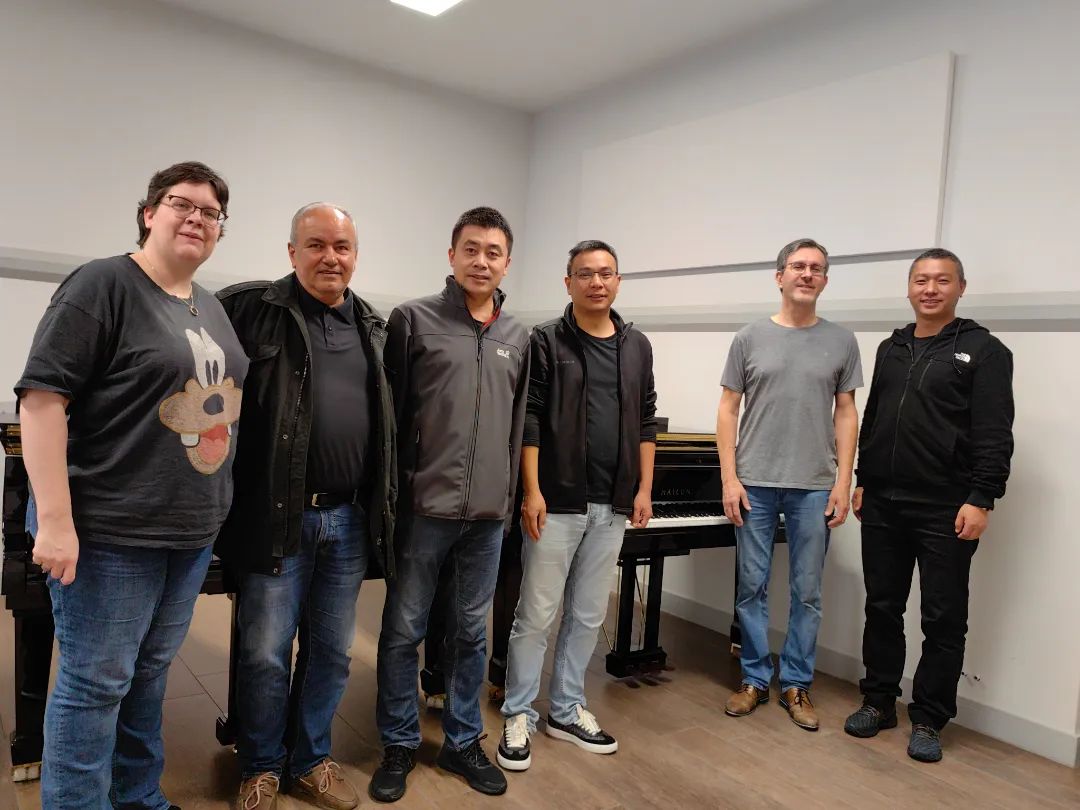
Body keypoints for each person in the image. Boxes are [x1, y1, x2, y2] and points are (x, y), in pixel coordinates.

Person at [16, 161, 246, 809]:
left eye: (211, 213)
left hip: (189, 532)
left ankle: (138, 795)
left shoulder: (209, 306)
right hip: (111, 532)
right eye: (182, 204)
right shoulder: (103, 284)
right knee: (96, 685)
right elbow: (42, 401)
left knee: (148, 675)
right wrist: (54, 522)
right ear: (149, 213)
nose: (197, 218)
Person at [216, 203, 396, 809]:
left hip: (348, 519)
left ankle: (311, 759)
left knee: (331, 653)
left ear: (355, 255)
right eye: (316, 245)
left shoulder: (374, 326)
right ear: (292, 252)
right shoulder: (248, 310)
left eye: (341, 246)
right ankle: (260, 766)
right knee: (265, 654)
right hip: (276, 515)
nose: (330, 257)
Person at [369, 207, 530, 803]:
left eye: (493, 252)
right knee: (402, 630)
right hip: (423, 509)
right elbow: (391, 416)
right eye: (471, 249)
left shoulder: (520, 337)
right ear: (452, 255)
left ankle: (463, 741)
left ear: (507, 263)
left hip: (486, 517)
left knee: (469, 634)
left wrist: (508, 499)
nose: (481, 261)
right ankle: (399, 742)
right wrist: (397, 493)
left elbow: (517, 425)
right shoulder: (413, 320)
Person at [844, 248, 1013, 763]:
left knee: (942, 618)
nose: (931, 289)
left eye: (942, 280)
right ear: (909, 288)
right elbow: (874, 418)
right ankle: (878, 701)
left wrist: (982, 497)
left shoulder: (985, 351)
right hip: (883, 503)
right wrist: (863, 480)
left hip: (946, 507)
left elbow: (994, 432)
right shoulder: (891, 348)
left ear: (961, 288)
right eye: (921, 280)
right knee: (882, 607)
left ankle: (929, 718)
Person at [497, 240, 656, 772]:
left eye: (606, 273)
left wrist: (643, 489)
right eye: (585, 273)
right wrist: (532, 491)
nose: (597, 282)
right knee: (535, 615)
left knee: (588, 615)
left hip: (614, 504)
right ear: (568, 282)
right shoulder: (545, 340)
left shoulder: (637, 346)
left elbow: (646, 419)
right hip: (557, 502)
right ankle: (518, 712)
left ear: (618, 281)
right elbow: (530, 418)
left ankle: (566, 710)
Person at [717, 237, 861, 731]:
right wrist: (729, 477)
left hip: (814, 485)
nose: (807, 274)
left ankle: (797, 683)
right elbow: (728, 409)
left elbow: (846, 412)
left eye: (816, 268)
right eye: (798, 266)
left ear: (824, 280)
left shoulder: (842, 341)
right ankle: (755, 679)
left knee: (808, 592)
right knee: (751, 587)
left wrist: (843, 480)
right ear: (779, 277)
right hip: (753, 482)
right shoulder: (749, 338)